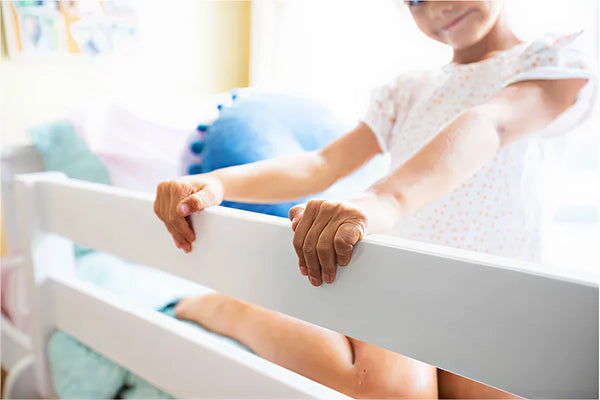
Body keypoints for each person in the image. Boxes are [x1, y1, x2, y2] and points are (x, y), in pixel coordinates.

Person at [154, 1, 597, 398]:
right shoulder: (408, 90)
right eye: (416, 0)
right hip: (401, 285)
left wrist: (382, 201)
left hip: (493, 302)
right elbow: (320, 165)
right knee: (394, 390)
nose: (437, 9)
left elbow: (492, 123)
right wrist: (218, 183)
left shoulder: (550, 59)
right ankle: (226, 306)